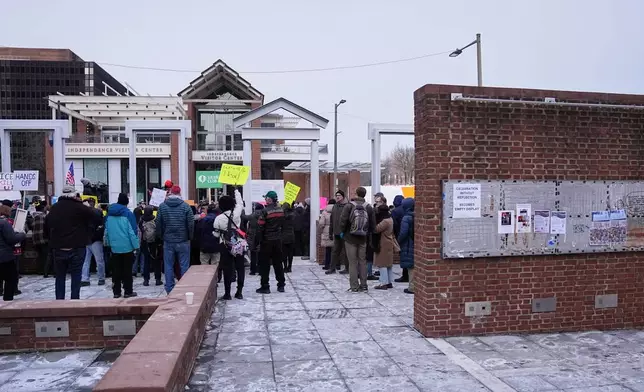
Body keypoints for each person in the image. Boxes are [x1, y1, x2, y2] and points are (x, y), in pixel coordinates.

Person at [45, 185, 102, 300]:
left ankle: (59, 301)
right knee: (76, 276)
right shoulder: (80, 207)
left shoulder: (54, 208)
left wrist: (52, 241)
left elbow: (46, 226)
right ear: (74, 194)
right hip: (77, 246)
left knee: (60, 277)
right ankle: (74, 301)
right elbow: (97, 217)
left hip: (59, 247)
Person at [156, 185, 194, 294]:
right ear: (180, 193)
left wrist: (161, 236)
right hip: (183, 240)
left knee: (168, 265)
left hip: (168, 240)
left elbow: (158, 223)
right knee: (184, 265)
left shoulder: (162, 206)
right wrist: (190, 237)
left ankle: (169, 288)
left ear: (171, 192)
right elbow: (191, 223)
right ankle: (184, 288)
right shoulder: (186, 207)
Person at [340, 186, 376, 292]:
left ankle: (354, 286)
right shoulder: (369, 207)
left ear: (356, 194)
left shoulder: (349, 206)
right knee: (362, 261)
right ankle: (364, 285)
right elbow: (372, 225)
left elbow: (343, 221)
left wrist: (343, 232)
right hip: (363, 238)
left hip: (350, 238)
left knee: (352, 263)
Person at [104, 193, 139, 298]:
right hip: (127, 246)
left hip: (114, 246)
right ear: (127, 202)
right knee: (127, 270)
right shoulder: (128, 214)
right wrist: (136, 246)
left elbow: (106, 231)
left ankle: (116, 292)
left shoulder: (109, 214)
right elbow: (133, 231)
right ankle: (128, 291)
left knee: (116, 270)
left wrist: (108, 244)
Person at [213, 189, 244, 300]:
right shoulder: (236, 214)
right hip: (238, 243)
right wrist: (236, 190)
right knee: (240, 267)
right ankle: (239, 292)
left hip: (225, 245)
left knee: (227, 268)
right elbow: (240, 203)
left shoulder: (218, 219)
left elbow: (216, 235)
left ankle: (227, 293)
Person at [256, 191, 285, 294]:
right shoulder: (281, 210)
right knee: (278, 263)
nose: (265, 200)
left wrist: (258, 241)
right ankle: (281, 285)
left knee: (265, 264)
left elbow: (260, 227)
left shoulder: (264, 211)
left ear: (269, 199)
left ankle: (265, 286)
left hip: (267, 240)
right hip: (277, 240)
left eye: (266, 198)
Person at [0, 205, 25, 301]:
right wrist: (22, 234)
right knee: (11, 278)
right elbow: (12, 239)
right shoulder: (4, 223)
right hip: (4, 256)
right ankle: (8, 300)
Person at [81, 199, 106, 287]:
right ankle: (101, 278)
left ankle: (85, 279)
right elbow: (102, 225)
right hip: (96, 239)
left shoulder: (83, 214)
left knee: (85, 261)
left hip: (86, 239)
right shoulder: (98, 213)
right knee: (99, 260)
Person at [373, 205, 398, 290]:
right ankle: (389, 282)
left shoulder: (385, 221)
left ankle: (383, 283)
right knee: (388, 264)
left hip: (383, 243)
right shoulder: (390, 219)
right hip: (389, 242)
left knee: (382, 264)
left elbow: (376, 229)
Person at [326, 190, 349, 275]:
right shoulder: (335, 206)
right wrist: (330, 232)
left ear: (343, 196)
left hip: (345, 233)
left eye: (339, 195)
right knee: (335, 251)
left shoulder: (347, 206)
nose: (337, 197)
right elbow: (332, 220)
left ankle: (347, 268)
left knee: (346, 251)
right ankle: (332, 268)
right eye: (336, 195)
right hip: (336, 232)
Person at [139, 206, 162, 286]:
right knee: (156, 261)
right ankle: (158, 279)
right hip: (154, 243)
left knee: (146, 261)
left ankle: (146, 280)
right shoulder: (155, 220)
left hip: (145, 243)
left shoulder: (141, 220)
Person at [398, 198, 415, 294]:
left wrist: (399, 241)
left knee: (411, 266)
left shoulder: (406, 217)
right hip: (415, 243)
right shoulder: (416, 215)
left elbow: (403, 232)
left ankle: (412, 287)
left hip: (408, 244)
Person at [32, 202, 52, 278]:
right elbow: (47, 227)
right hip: (44, 239)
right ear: (43, 209)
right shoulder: (44, 216)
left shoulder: (33, 217)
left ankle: (39, 270)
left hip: (35, 239)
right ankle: (46, 272)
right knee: (47, 256)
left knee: (39, 256)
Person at [391, 194, 408, 283]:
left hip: (399, 235)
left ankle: (405, 276)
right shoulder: (407, 210)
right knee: (408, 256)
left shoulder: (395, 211)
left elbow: (394, 225)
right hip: (409, 236)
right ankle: (408, 274)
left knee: (403, 256)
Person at [245, 203, 263, 275]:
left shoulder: (251, 215)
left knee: (253, 253)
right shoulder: (264, 215)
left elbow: (244, 217)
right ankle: (260, 269)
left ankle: (253, 270)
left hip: (252, 236)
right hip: (261, 235)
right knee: (261, 254)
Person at [317, 199, 335, 270]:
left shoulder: (325, 212)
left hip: (327, 231)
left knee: (328, 249)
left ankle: (327, 265)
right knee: (336, 250)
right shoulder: (337, 211)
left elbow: (321, 223)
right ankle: (336, 265)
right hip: (335, 230)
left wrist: (321, 230)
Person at [132, 200, 146, 277]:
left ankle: (134, 271)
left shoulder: (132, 221)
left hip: (135, 241)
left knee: (135, 257)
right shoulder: (143, 220)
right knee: (142, 256)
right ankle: (142, 270)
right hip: (143, 240)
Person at [281, 202, 295, 273]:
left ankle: (285, 267)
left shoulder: (282, 216)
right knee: (290, 253)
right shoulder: (292, 215)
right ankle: (290, 267)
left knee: (284, 253)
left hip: (283, 236)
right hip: (291, 235)